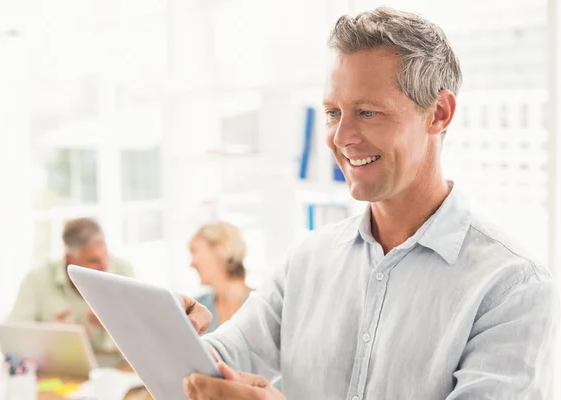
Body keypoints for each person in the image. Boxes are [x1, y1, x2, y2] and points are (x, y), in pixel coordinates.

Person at [179, 7, 559, 400]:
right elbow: (213, 366)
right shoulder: (307, 261)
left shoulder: (513, 289)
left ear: (439, 114)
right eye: (332, 113)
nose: (340, 137)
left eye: (367, 112)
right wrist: (162, 328)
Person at [8, 217, 134, 352]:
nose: (105, 265)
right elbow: (12, 341)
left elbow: (141, 338)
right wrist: (50, 336)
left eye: (106, 255)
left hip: (114, 368)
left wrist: (114, 325)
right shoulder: (36, 280)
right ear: (69, 259)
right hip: (57, 369)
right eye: (93, 261)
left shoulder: (123, 273)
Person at [189, 222, 252, 333]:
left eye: (195, 251)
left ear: (220, 249)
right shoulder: (196, 307)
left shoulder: (263, 305)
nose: (192, 263)